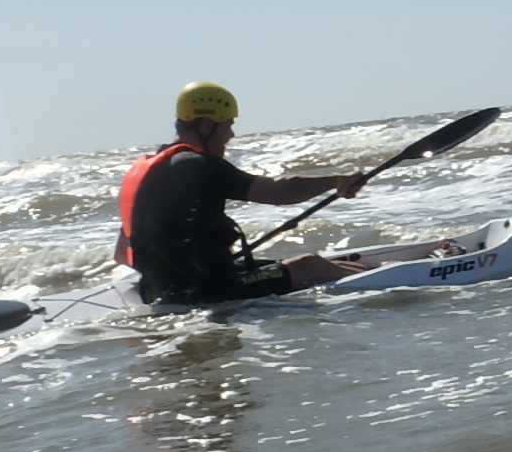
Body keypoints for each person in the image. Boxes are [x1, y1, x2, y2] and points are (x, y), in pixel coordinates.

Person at [115, 81, 372, 303]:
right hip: (207, 292)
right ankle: (389, 287)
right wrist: (338, 181)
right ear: (206, 126)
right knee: (311, 265)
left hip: (158, 291)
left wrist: (187, 265)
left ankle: (368, 274)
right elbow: (279, 192)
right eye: (228, 125)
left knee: (316, 264)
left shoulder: (148, 170)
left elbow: (122, 254)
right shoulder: (195, 165)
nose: (231, 134)